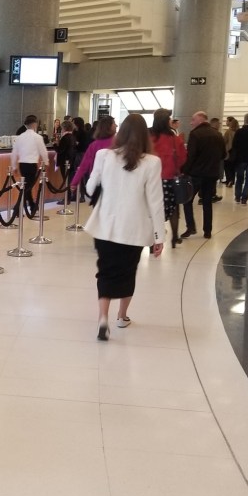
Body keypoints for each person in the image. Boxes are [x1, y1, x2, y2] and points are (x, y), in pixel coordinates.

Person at [84, 113, 164, 340]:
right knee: (128, 272)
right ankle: (121, 316)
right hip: (134, 229)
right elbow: (155, 202)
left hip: (105, 226)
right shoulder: (152, 162)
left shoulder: (104, 155)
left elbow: (90, 189)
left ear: (120, 133)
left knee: (105, 271)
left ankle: (102, 318)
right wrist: (159, 236)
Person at [181, 111, 226, 240]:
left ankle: (191, 227)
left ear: (200, 120)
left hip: (196, 174)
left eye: (193, 120)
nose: (191, 122)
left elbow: (191, 156)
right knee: (207, 202)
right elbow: (223, 154)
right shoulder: (218, 134)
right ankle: (207, 231)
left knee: (187, 200)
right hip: (211, 174)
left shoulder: (195, 134)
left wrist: (185, 171)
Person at [150, 108, 187, 249]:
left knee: (152, 210)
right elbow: (182, 157)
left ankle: (152, 240)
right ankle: (175, 236)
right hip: (169, 177)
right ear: (166, 121)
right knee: (173, 208)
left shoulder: (149, 136)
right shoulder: (173, 138)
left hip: (152, 179)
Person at [9, 114, 48, 218]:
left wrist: (14, 166)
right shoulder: (38, 137)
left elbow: (14, 152)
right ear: (34, 124)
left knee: (26, 187)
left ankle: (31, 206)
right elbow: (43, 152)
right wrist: (46, 162)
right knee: (27, 187)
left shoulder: (20, 137)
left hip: (22, 165)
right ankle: (20, 208)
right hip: (32, 165)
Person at [71, 114, 116, 194]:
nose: (116, 125)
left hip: (98, 181)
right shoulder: (118, 143)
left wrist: (75, 182)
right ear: (108, 127)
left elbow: (84, 165)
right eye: (114, 123)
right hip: (114, 180)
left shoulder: (94, 145)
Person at [231, 113, 248, 205]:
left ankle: (238, 196)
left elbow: (234, 145)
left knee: (239, 178)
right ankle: (244, 198)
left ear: (245, 120)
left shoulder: (239, 131)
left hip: (241, 159)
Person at [222, 116, 239, 188]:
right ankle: (232, 180)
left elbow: (224, 141)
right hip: (235, 152)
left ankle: (228, 180)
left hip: (228, 151)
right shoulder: (238, 132)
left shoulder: (228, 132)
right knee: (232, 167)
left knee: (227, 167)